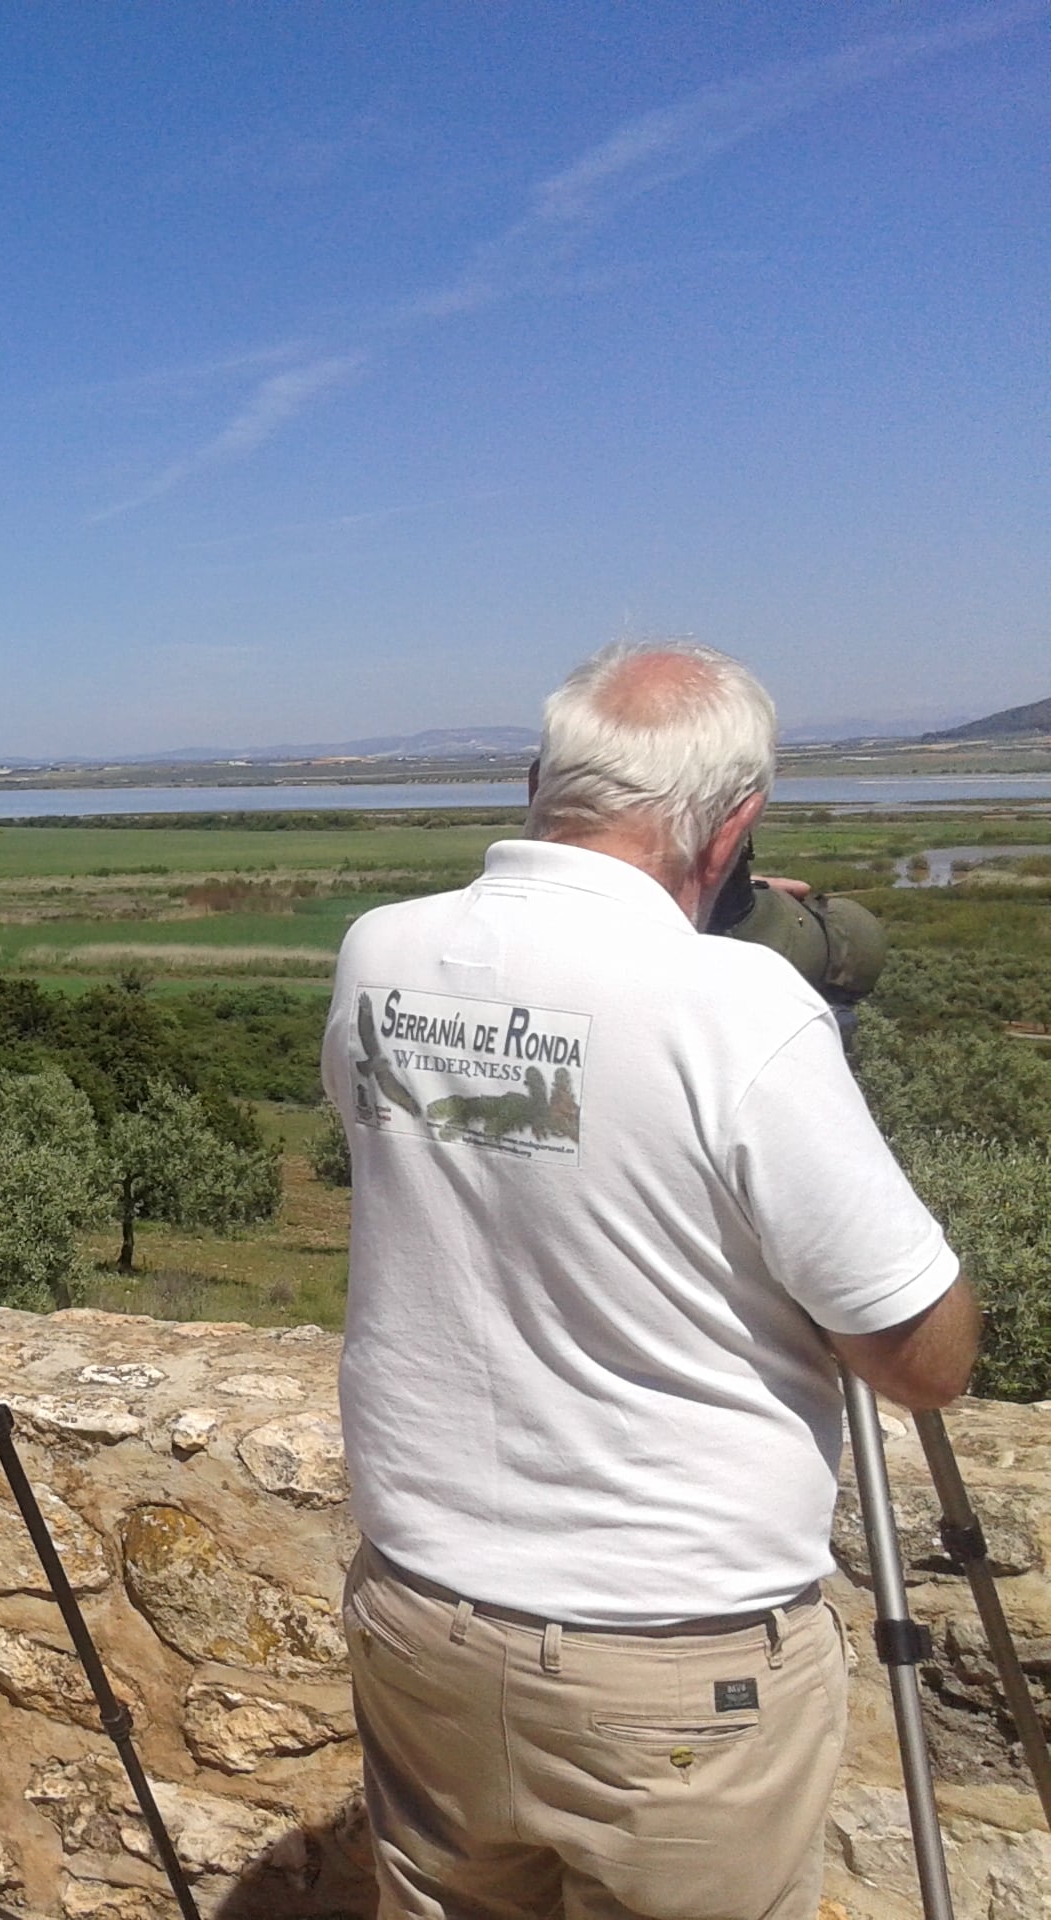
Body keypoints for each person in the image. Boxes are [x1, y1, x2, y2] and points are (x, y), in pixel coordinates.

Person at [323, 639, 978, 1920]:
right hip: (673, 1658)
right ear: (734, 826)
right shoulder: (736, 1004)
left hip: (422, 1617)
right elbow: (922, 1364)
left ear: (536, 782)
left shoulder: (377, 952)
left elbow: (509, 1131)